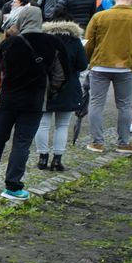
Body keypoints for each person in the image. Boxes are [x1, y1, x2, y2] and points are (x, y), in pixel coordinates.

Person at [0, 13, 55, 200]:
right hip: (35, 101)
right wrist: (50, 92)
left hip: (8, 98)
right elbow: (60, 73)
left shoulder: (9, 43)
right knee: (22, 143)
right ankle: (13, 185)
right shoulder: (52, 43)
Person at [81, 0, 132, 154]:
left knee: (96, 103)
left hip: (100, 65)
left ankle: (97, 142)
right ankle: (123, 143)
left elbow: (89, 42)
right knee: (124, 106)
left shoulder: (99, 16)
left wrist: (86, 62)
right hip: (125, 66)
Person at [35, 19, 87, 172]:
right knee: (62, 126)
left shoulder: (42, 40)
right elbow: (82, 65)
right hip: (68, 86)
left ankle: (42, 158)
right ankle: (57, 160)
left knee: (43, 124)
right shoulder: (75, 40)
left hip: (45, 87)